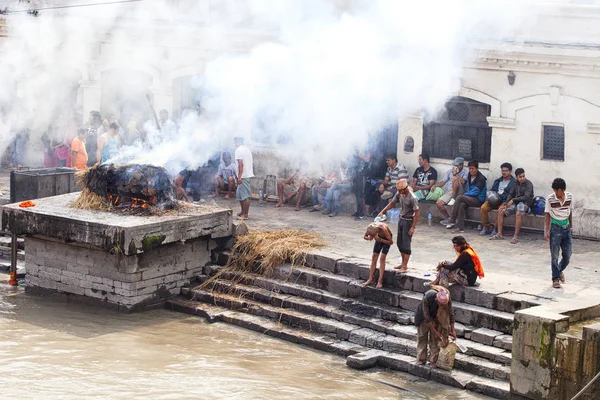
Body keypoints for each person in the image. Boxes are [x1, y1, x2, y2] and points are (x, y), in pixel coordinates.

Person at [378, 179, 419, 273]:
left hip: (408, 221)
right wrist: (383, 211)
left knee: (406, 243)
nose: (400, 192)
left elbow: (417, 213)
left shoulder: (412, 197)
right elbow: (392, 203)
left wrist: (413, 227)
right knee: (399, 243)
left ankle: (405, 266)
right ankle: (403, 262)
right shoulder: (399, 193)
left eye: (401, 191)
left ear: (405, 189)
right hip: (401, 219)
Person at [414, 286, 456, 369]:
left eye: (445, 305)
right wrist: (435, 332)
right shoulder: (428, 297)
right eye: (441, 305)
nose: (443, 306)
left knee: (435, 340)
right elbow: (427, 317)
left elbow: (451, 313)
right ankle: (421, 359)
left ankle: (433, 361)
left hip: (437, 316)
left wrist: (452, 330)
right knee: (422, 337)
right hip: (423, 317)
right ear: (436, 300)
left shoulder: (447, 297)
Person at [490, 168, 534, 243]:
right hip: (515, 204)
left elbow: (526, 197)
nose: (522, 178)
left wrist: (513, 200)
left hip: (525, 204)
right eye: (520, 177)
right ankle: (499, 234)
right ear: (516, 177)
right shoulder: (514, 183)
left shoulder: (529, 184)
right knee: (501, 211)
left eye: (523, 176)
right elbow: (510, 194)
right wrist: (506, 204)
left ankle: (515, 236)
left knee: (518, 213)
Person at [544, 178, 573, 289]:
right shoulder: (550, 198)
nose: (556, 193)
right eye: (555, 190)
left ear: (563, 190)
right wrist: (546, 231)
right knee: (554, 256)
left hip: (566, 229)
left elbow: (570, 211)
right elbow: (547, 215)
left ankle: (559, 270)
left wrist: (571, 226)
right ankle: (555, 279)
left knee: (567, 255)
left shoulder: (569, 196)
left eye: (558, 191)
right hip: (555, 229)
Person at [444, 160, 487, 233]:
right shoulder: (469, 176)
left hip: (478, 199)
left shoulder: (481, 178)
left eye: (473, 169)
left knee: (460, 197)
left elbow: (476, 191)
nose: (471, 170)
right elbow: (467, 185)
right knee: (461, 204)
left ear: (477, 168)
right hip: (470, 198)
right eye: (470, 169)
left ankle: (452, 218)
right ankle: (460, 228)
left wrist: (465, 194)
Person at [479, 163, 516, 236]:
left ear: (510, 171)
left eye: (506, 171)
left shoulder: (513, 182)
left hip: (504, 201)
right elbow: (493, 190)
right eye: (502, 170)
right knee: (483, 208)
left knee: (500, 210)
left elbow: (512, 195)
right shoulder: (498, 181)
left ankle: (496, 228)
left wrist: (507, 202)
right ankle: (486, 227)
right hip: (494, 199)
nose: (504, 172)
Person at [436, 157, 469, 224]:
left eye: (457, 165)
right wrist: (434, 185)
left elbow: (463, 182)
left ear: (461, 165)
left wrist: (455, 174)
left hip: (461, 191)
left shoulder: (466, 172)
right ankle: (448, 218)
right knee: (439, 203)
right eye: (454, 165)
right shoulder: (449, 171)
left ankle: (453, 198)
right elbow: (443, 182)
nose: (455, 167)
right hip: (450, 191)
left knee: (455, 179)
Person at [363, 222, 394, 289]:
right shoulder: (370, 227)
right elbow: (365, 236)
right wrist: (369, 238)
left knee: (382, 258)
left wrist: (380, 239)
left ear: (376, 231)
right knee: (374, 257)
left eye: (373, 235)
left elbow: (391, 242)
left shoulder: (383, 229)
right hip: (378, 238)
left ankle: (380, 280)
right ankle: (370, 278)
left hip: (386, 239)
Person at [234, 136, 254, 220]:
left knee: (245, 196)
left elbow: (240, 165)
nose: (234, 143)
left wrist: (239, 177)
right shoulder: (247, 149)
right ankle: (243, 211)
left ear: (237, 141)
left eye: (235, 141)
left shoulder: (239, 150)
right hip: (245, 175)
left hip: (243, 176)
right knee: (239, 194)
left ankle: (245, 215)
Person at [350, 147, 371, 220]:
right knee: (356, 193)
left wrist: (358, 154)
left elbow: (367, 159)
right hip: (356, 174)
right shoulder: (356, 149)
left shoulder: (367, 149)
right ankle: (358, 211)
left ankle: (361, 213)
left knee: (361, 194)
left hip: (362, 175)